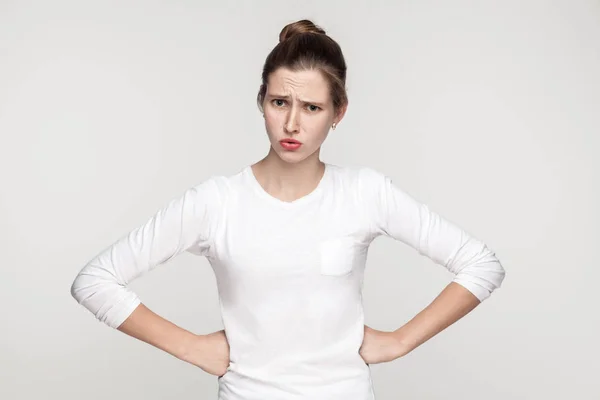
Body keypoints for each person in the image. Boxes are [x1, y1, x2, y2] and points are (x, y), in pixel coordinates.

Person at [70, 19, 506, 400]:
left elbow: (481, 265)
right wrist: (192, 348)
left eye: (312, 108)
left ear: (338, 112)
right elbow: (95, 281)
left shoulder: (364, 193)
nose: (292, 124)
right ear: (262, 101)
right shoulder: (216, 202)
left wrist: (400, 341)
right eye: (280, 102)